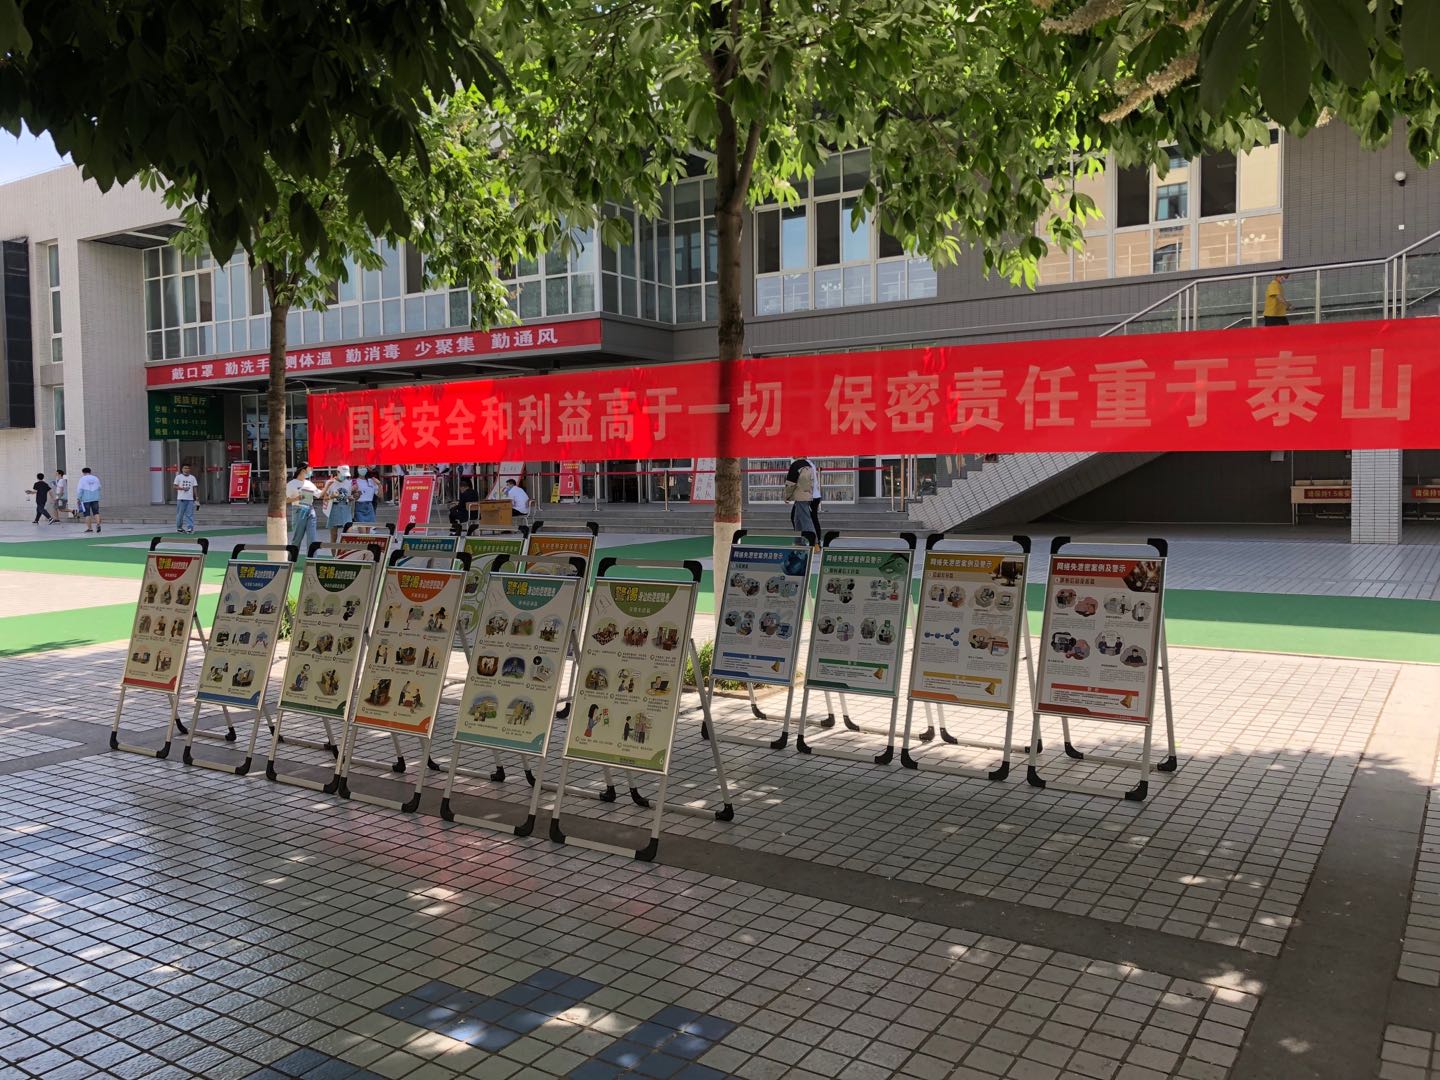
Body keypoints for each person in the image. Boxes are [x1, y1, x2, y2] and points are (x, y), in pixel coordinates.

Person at [783, 456, 821, 542]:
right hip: (813, 496)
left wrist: (787, 496)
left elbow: (791, 483)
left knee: (805, 521)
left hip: (802, 497)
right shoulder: (810, 464)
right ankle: (800, 541)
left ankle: (813, 543)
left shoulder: (797, 465)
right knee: (798, 519)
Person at [285, 464, 321, 553]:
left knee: (312, 539)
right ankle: (292, 559)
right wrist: (297, 498)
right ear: (302, 471)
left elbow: (319, 494)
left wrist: (328, 486)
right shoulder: (291, 484)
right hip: (298, 510)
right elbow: (285, 500)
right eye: (309, 470)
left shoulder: (309, 483)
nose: (311, 472)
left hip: (310, 510)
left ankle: (312, 559)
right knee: (297, 539)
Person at [322, 466, 353, 543]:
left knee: (348, 534)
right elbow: (324, 498)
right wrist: (332, 496)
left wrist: (351, 497)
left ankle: (343, 550)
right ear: (337, 472)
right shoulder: (330, 482)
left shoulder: (349, 483)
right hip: (334, 508)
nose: (344, 476)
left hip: (345, 507)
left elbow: (349, 496)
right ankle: (334, 551)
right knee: (334, 535)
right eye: (343, 474)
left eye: (345, 475)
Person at [173, 463, 199, 533]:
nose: (187, 469)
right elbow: (174, 486)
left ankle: (190, 528)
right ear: (182, 469)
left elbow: (195, 487)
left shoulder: (192, 477)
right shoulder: (178, 477)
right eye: (185, 468)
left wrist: (196, 496)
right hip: (181, 498)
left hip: (190, 499)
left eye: (188, 468)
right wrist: (183, 488)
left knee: (189, 514)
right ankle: (179, 528)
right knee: (180, 514)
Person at [76, 467, 101, 532]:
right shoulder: (96, 478)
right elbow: (99, 487)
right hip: (95, 498)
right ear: (90, 471)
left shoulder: (82, 479)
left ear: (83, 472)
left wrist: (78, 498)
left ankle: (90, 528)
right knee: (96, 512)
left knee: (87, 514)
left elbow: (80, 489)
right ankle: (98, 524)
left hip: (86, 499)